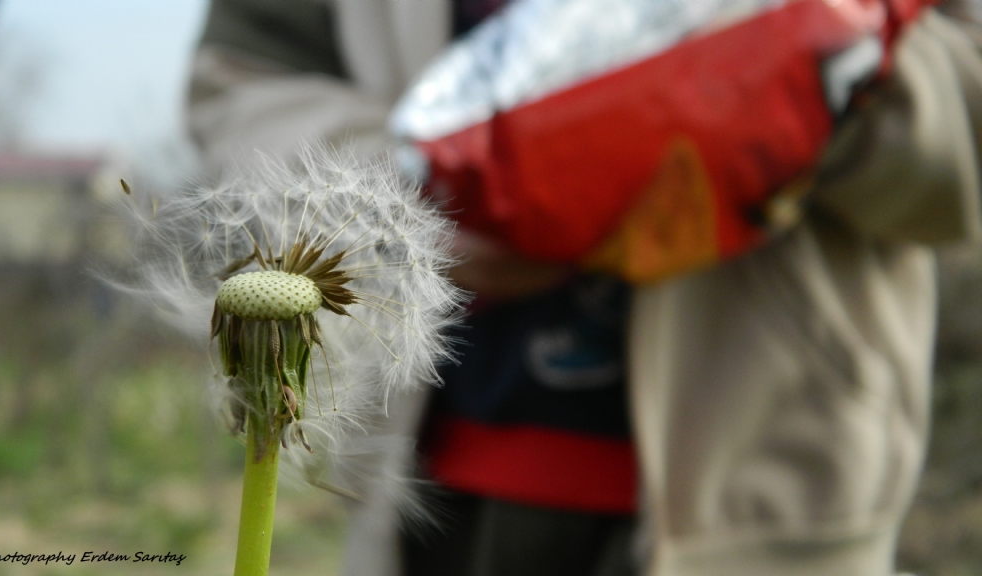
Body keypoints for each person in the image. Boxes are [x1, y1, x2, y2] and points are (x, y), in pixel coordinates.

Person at [186, 1, 982, 575]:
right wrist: (406, 204)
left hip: (775, 512)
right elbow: (244, 81)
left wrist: (805, 77)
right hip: (422, 510)